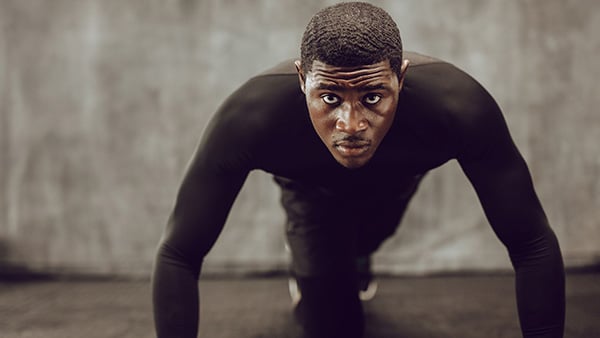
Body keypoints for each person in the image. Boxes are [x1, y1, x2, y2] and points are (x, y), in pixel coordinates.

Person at [152, 2, 565, 337]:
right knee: (333, 327)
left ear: (401, 78)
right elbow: (179, 253)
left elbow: (530, 244)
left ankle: (360, 252)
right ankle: (312, 262)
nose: (351, 125)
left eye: (372, 96)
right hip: (312, 197)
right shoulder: (249, 118)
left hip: (393, 187)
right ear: (301, 80)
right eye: (329, 97)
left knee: (370, 235)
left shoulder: (459, 108)